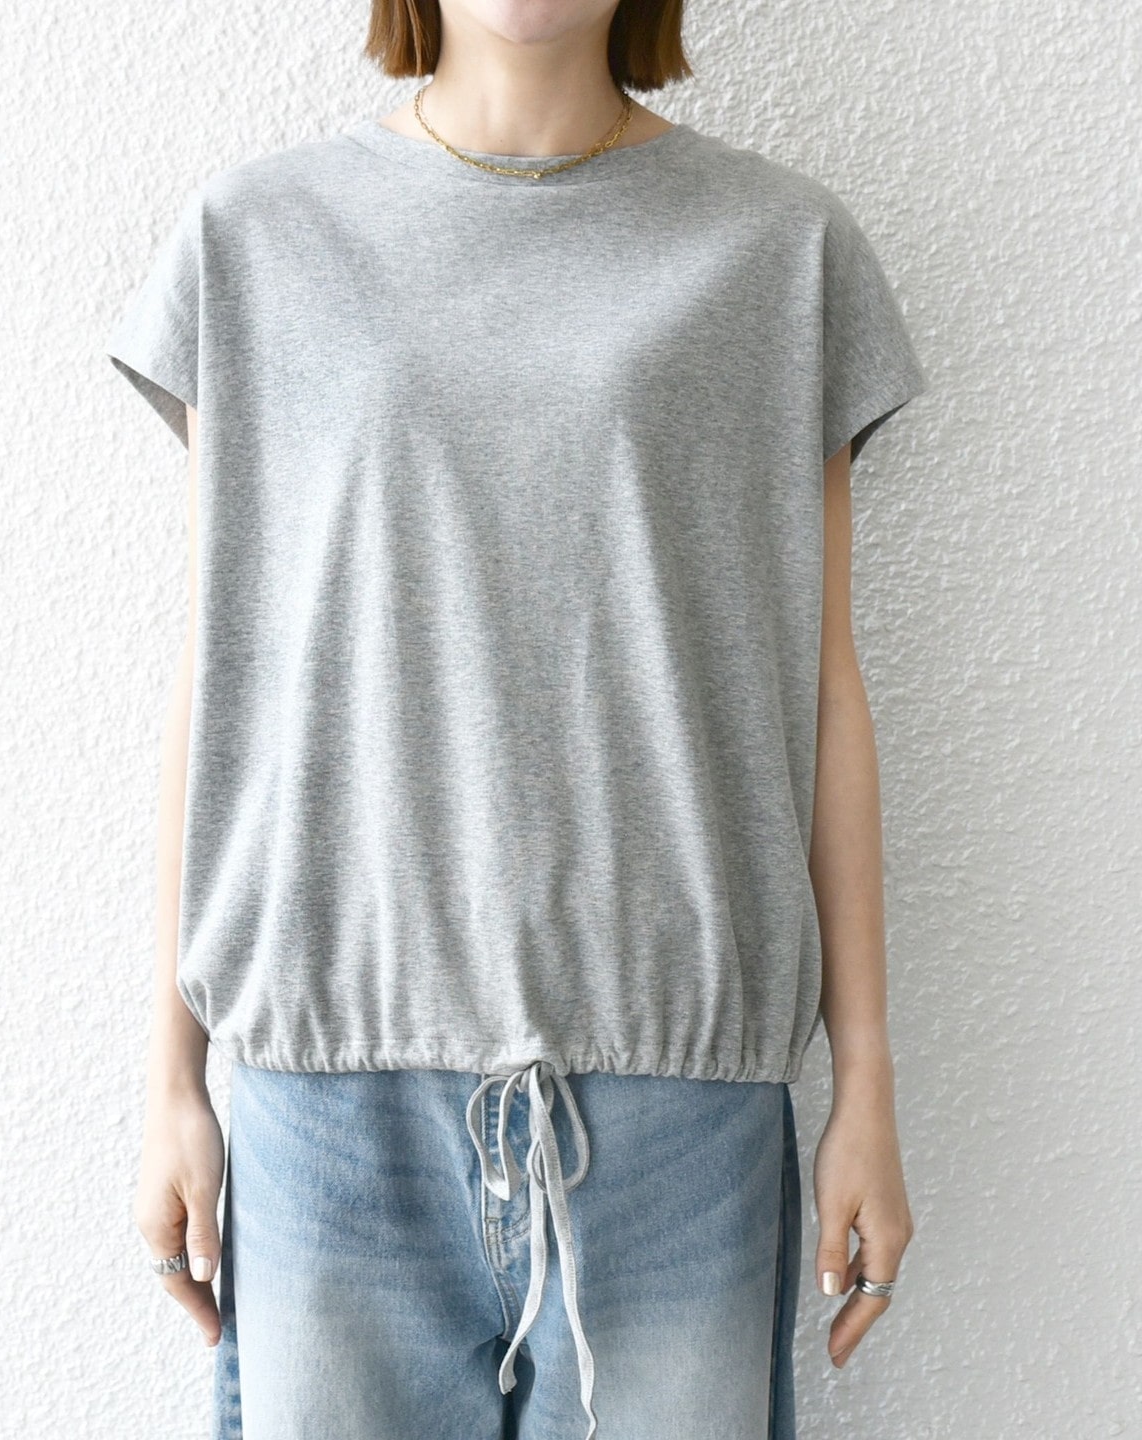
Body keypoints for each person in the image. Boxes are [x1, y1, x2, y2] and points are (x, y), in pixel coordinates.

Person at [107, 2, 927, 1436]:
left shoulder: (780, 253)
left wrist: (865, 1076)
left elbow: (824, 685)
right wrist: (171, 1073)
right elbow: (221, 670)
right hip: (329, 1101)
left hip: (679, 1108)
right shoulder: (255, 242)